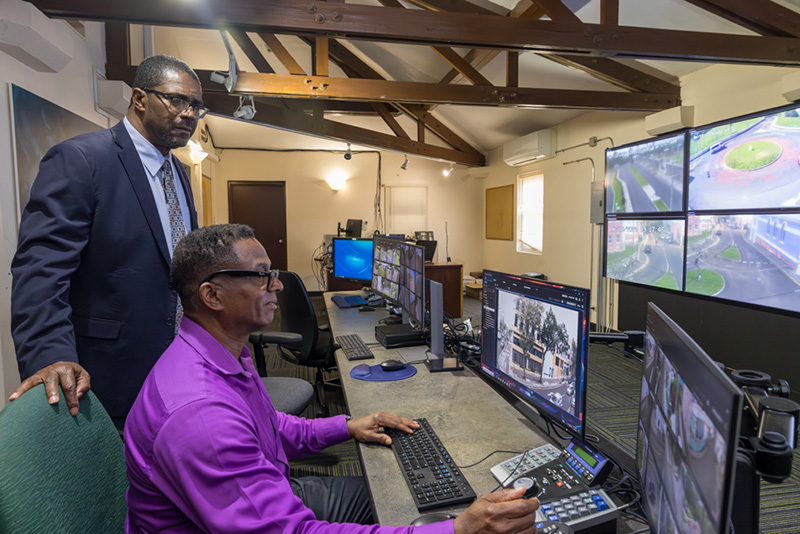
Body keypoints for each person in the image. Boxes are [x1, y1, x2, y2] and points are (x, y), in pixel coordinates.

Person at [124, 224, 540, 534]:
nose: (276, 286)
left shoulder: (220, 352)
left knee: (405, 500)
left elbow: (268, 426)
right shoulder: (201, 415)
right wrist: (458, 531)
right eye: (262, 275)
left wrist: (347, 426)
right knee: (442, 518)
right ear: (212, 295)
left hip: (263, 498)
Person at [9, 54, 204, 429]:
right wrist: (50, 356)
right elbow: (41, 270)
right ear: (140, 98)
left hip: (176, 367)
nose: (189, 114)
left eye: (196, 105)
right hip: (106, 374)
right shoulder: (81, 160)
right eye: (177, 99)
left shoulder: (179, 171)